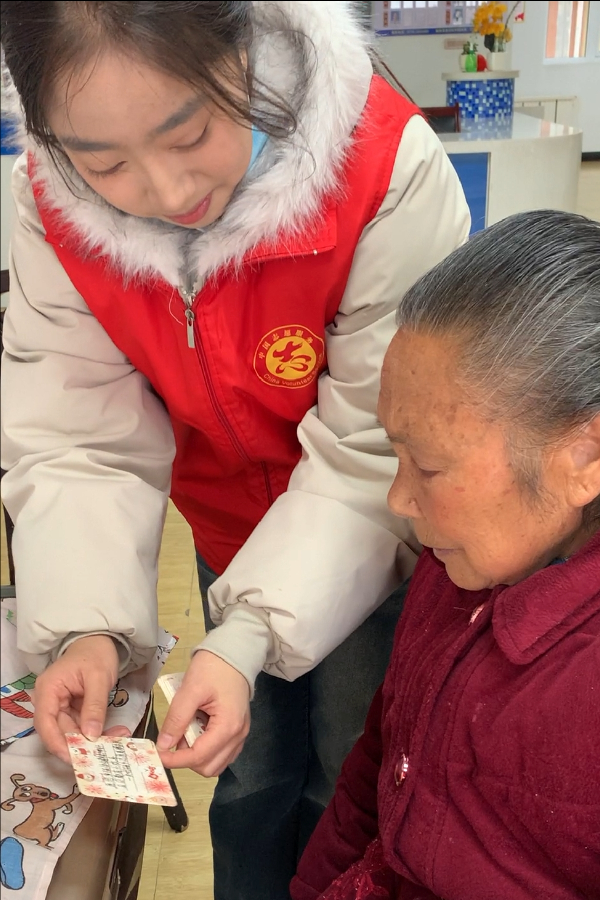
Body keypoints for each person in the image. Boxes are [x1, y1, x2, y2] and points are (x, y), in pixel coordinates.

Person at [0, 2, 469, 896]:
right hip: (227, 526)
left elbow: (374, 446)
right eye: (104, 163)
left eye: (191, 133)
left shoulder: (382, 168)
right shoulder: (53, 203)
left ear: (251, 47)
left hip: (386, 528)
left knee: (352, 762)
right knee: (248, 776)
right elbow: (76, 434)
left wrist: (252, 630)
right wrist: (88, 625)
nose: (165, 191)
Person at [291, 209, 600, 900]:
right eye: (395, 454)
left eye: (428, 467)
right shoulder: (452, 572)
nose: (399, 499)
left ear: (585, 457)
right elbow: (377, 767)